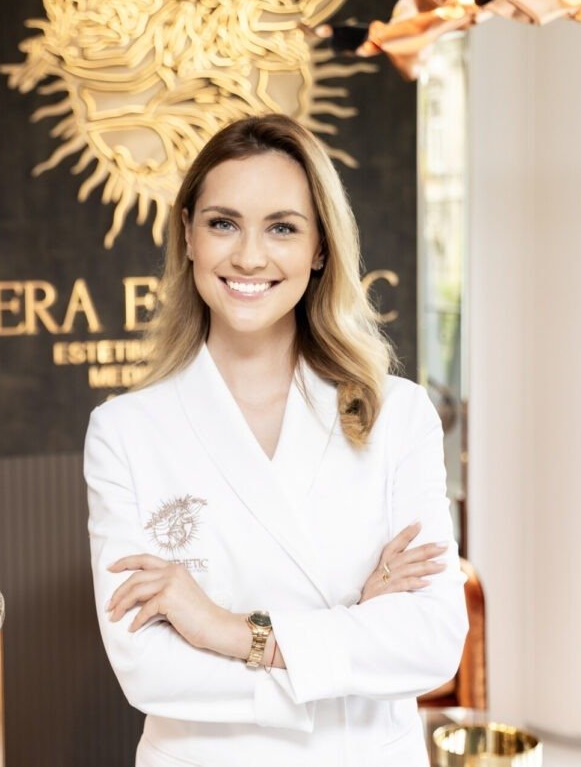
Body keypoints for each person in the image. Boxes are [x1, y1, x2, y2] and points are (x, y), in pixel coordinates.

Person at [83, 114, 468, 766]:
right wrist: (354, 628)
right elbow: (147, 671)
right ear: (188, 234)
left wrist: (226, 629)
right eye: (223, 223)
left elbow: (431, 642)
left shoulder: (397, 414)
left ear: (319, 248)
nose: (249, 257)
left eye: (282, 228)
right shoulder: (124, 432)